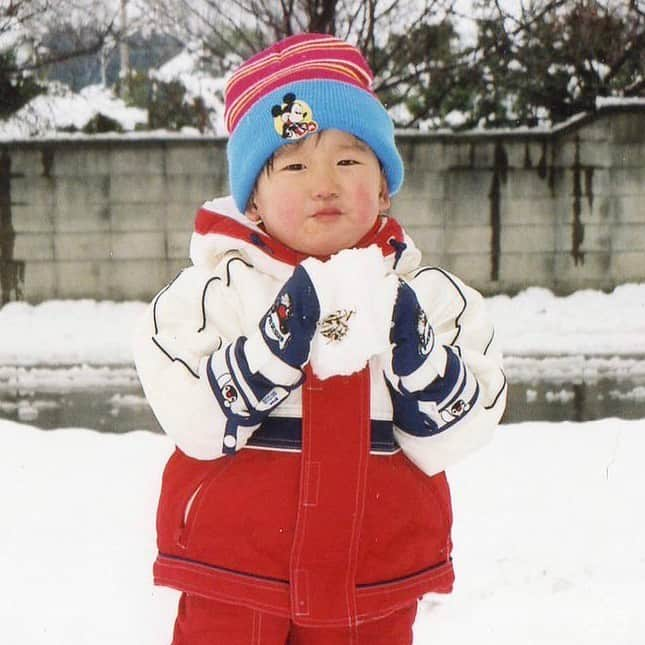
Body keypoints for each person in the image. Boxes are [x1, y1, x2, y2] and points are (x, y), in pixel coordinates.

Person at [133, 32, 507, 645]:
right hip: (236, 575)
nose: (324, 183)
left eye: (349, 160)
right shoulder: (214, 293)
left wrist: (423, 367)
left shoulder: (430, 298)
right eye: (295, 164)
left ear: (385, 186)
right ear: (252, 196)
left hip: (374, 582)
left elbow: (458, 435)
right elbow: (194, 422)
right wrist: (269, 350)